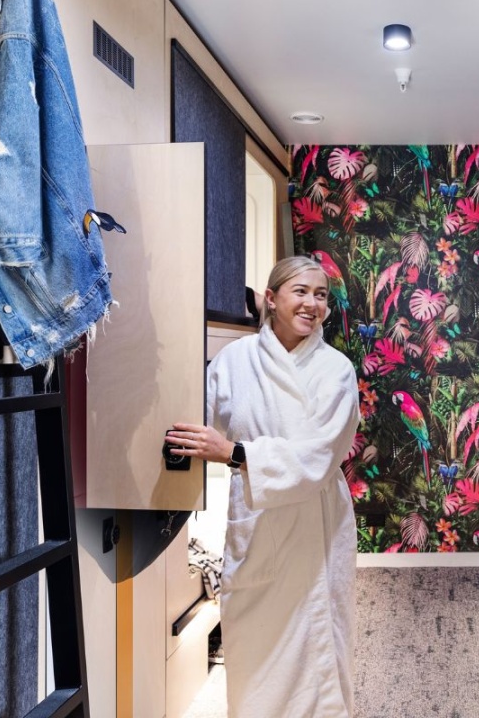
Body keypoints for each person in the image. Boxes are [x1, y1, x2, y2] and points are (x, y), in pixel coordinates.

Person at [166, 256, 360, 718]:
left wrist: (236, 454)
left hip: (316, 524)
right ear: (271, 299)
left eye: (321, 296)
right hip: (256, 522)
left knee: (319, 645)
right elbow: (199, 418)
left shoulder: (336, 370)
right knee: (255, 648)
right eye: (301, 292)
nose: (312, 304)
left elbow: (319, 456)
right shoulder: (233, 361)